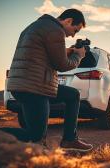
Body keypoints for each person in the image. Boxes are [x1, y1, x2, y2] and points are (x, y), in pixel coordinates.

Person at [6, 9, 93, 152]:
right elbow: (62, 65)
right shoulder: (55, 31)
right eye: (75, 30)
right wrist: (78, 56)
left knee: (73, 95)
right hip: (33, 88)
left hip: (31, 85)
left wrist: (69, 51)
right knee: (35, 136)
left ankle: (69, 139)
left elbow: (44, 52)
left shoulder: (37, 26)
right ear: (69, 20)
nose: (72, 35)